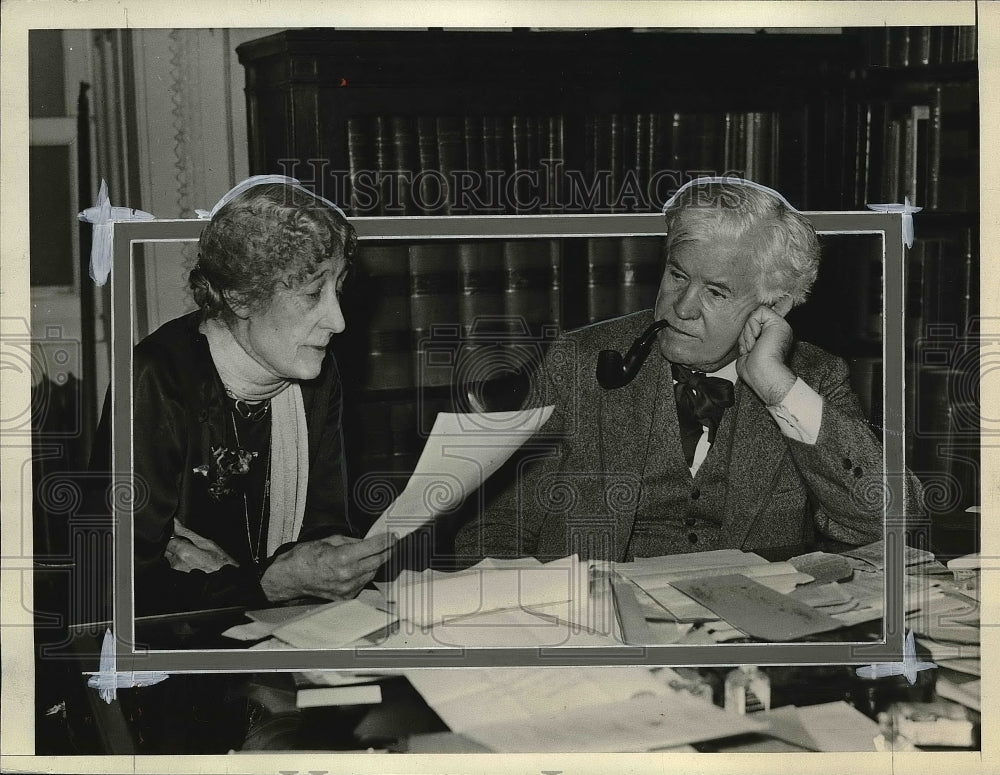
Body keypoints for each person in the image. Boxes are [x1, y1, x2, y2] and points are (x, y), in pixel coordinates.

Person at [455, 178, 921, 563]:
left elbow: (895, 519)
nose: (681, 307)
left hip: (745, 631)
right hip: (599, 623)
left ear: (774, 305)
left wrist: (777, 387)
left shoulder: (812, 377)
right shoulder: (578, 361)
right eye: (678, 276)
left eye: (716, 292)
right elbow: (497, 531)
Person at [90, 176, 394, 616]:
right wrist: (266, 583)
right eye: (313, 294)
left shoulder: (316, 372)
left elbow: (323, 527)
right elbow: (115, 590)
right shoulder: (157, 378)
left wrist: (324, 565)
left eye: (338, 290)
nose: (338, 320)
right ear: (240, 296)